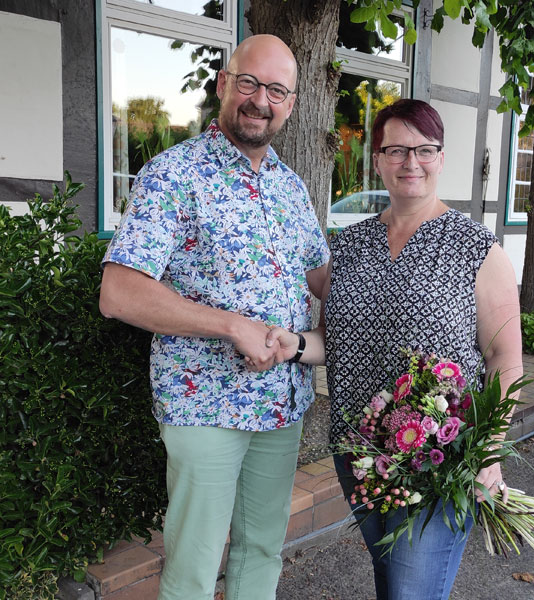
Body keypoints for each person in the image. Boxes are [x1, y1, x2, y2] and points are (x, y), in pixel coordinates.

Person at [98, 34, 329, 600]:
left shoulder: (290, 186)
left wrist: (408, 290)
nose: (260, 100)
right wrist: (232, 324)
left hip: (281, 401)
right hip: (204, 405)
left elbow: (321, 276)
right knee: (195, 566)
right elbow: (119, 292)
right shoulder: (172, 174)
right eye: (249, 82)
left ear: (292, 104)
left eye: (276, 89)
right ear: (225, 84)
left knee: (262, 551)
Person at [267, 99, 523, 600]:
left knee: (411, 591)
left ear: (441, 157)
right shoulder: (349, 245)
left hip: (439, 457)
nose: (412, 162)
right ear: (378, 159)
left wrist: (488, 450)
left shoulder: (477, 248)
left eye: (425, 149)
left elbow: (505, 359)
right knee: (392, 581)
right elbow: (336, 343)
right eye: (397, 150)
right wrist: (291, 345)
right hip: (361, 455)